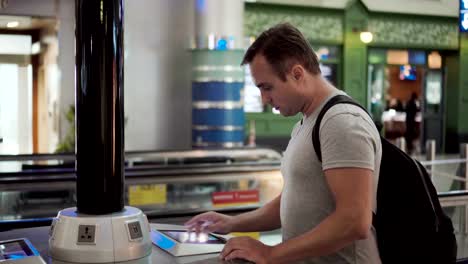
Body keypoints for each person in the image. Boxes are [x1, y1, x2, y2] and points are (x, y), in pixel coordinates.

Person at [185, 23, 382, 264]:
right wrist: (231, 222)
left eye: (267, 87)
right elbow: (294, 200)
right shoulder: (307, 122)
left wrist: (270, 253)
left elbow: (354, 221)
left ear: (297, 74)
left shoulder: (341, 121)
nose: (264, 99)